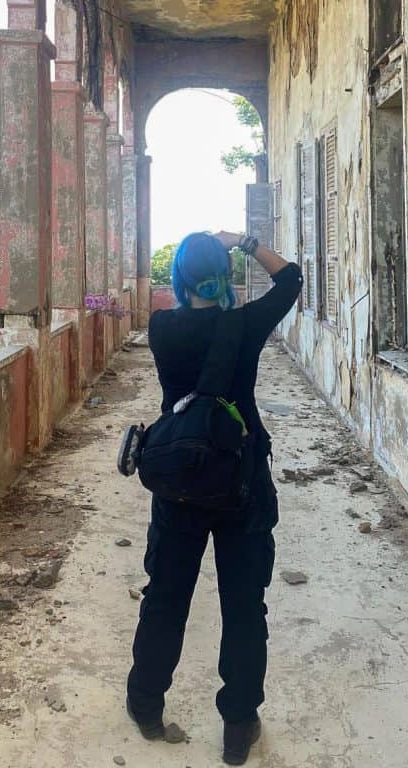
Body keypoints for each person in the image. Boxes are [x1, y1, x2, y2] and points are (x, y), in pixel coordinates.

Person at [126, 230, 303, 765]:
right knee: (244, 605)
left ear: (177, 281)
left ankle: (146, 705)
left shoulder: (162, 327)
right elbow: (292, 278)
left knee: (166, 596)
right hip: (240, 481)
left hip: (179, 479)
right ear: (225, 277)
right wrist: (246, 242)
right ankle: (238, 726)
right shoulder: (245, 324)